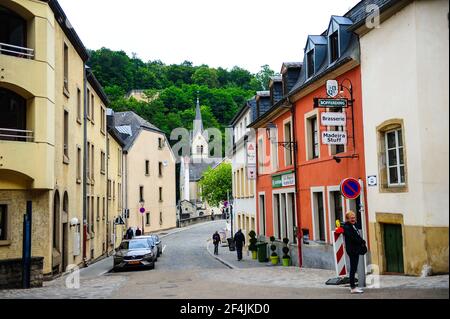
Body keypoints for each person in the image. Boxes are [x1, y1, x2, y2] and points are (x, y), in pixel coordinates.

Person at [343, 211, 366, 294]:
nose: (353, 219)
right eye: (351, 218)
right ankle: (353, 287)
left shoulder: (353, 225)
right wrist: (361, 242)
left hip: (355, 249)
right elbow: (353, 238)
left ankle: (353, 287)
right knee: (353, 268)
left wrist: (362, 242)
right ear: (348, 219)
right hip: (352, 250)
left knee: (354, 268)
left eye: (354, 217)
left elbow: (357, 236)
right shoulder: (347, 227)